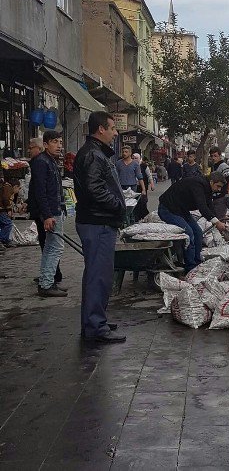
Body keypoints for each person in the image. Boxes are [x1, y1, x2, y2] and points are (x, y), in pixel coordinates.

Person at [74, 111, 126, 344]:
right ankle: (95, 326)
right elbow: (94, 189)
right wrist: (117, 205)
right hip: (98, 223)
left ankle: (95, 320)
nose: (115, 133)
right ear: (101, 129)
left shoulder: (95, 152)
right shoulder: (93, 155)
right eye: (113, 128)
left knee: (96, 274)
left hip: (98, 221)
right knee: (99, 276)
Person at [157, 172, 227, 273]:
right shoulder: (198, 185)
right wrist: (216, 222)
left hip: (181, 210)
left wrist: (218, 219)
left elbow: (209, 205)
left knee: (198, 232)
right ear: (211, 182)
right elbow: (202, 207)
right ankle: (190, 268)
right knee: (189, 234)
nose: (219, 189)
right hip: (168, 209)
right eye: (218, 186)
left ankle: (197, 262)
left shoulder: (207, 188)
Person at [28, 130, 67, 297]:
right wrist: (47, 215)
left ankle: (47, 281)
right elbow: (40, 192)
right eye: (54, 142)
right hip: (50, 212)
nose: (59, 145)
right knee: (55, 247)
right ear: (45, 144)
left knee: (51, 247)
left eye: (60, 142)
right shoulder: (41, 162)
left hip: (55, 209)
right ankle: (46, 284)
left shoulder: (50, 161)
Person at [208, 146, 229, 220]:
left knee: (220, 219)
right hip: (214, 197)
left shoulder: (224, 166)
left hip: (221, 197)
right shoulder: (214, 166)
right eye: (212, 156)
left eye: (215, 156)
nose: (213, 158)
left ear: (220, 156)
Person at [0, 175, 18, 252]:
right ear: (16, 186)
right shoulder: (8, 188)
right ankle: (3, 240)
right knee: (8, 224)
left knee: (3, 224)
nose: (18, 190)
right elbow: (5, 199)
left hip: (2, 209)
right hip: (2, 210)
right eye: (19, 188)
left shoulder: (6, 186)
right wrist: (9, 209)